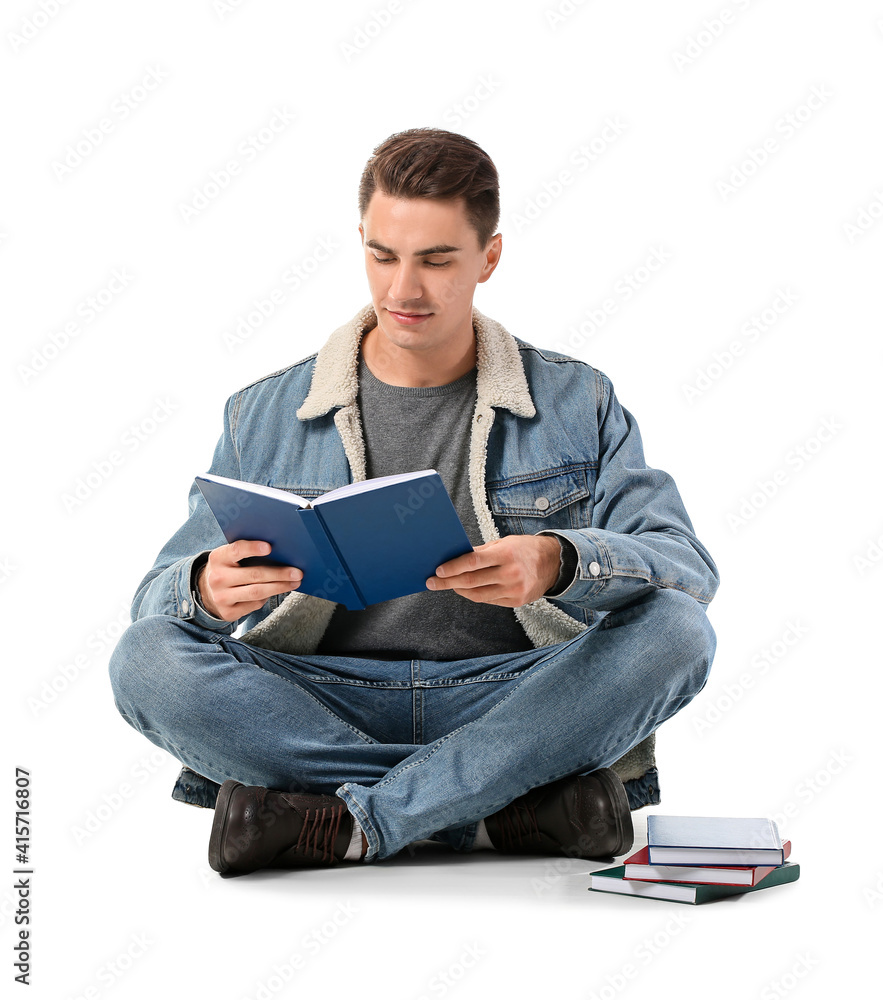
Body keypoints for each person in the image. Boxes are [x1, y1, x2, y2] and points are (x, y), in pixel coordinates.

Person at [108, 127, 719, 875]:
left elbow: (686, 569)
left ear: (488, 256)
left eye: (436, 260)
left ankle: (355, 821)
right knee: (145, 660)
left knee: (677, 629)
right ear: (361, 241)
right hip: (319, 703)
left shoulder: (576, 399)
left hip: (514, 697)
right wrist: (203, 587)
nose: (404, 289)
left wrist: (562, 561)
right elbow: (153, 604)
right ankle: (493, 809)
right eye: (383, 256)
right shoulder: (262, 410)